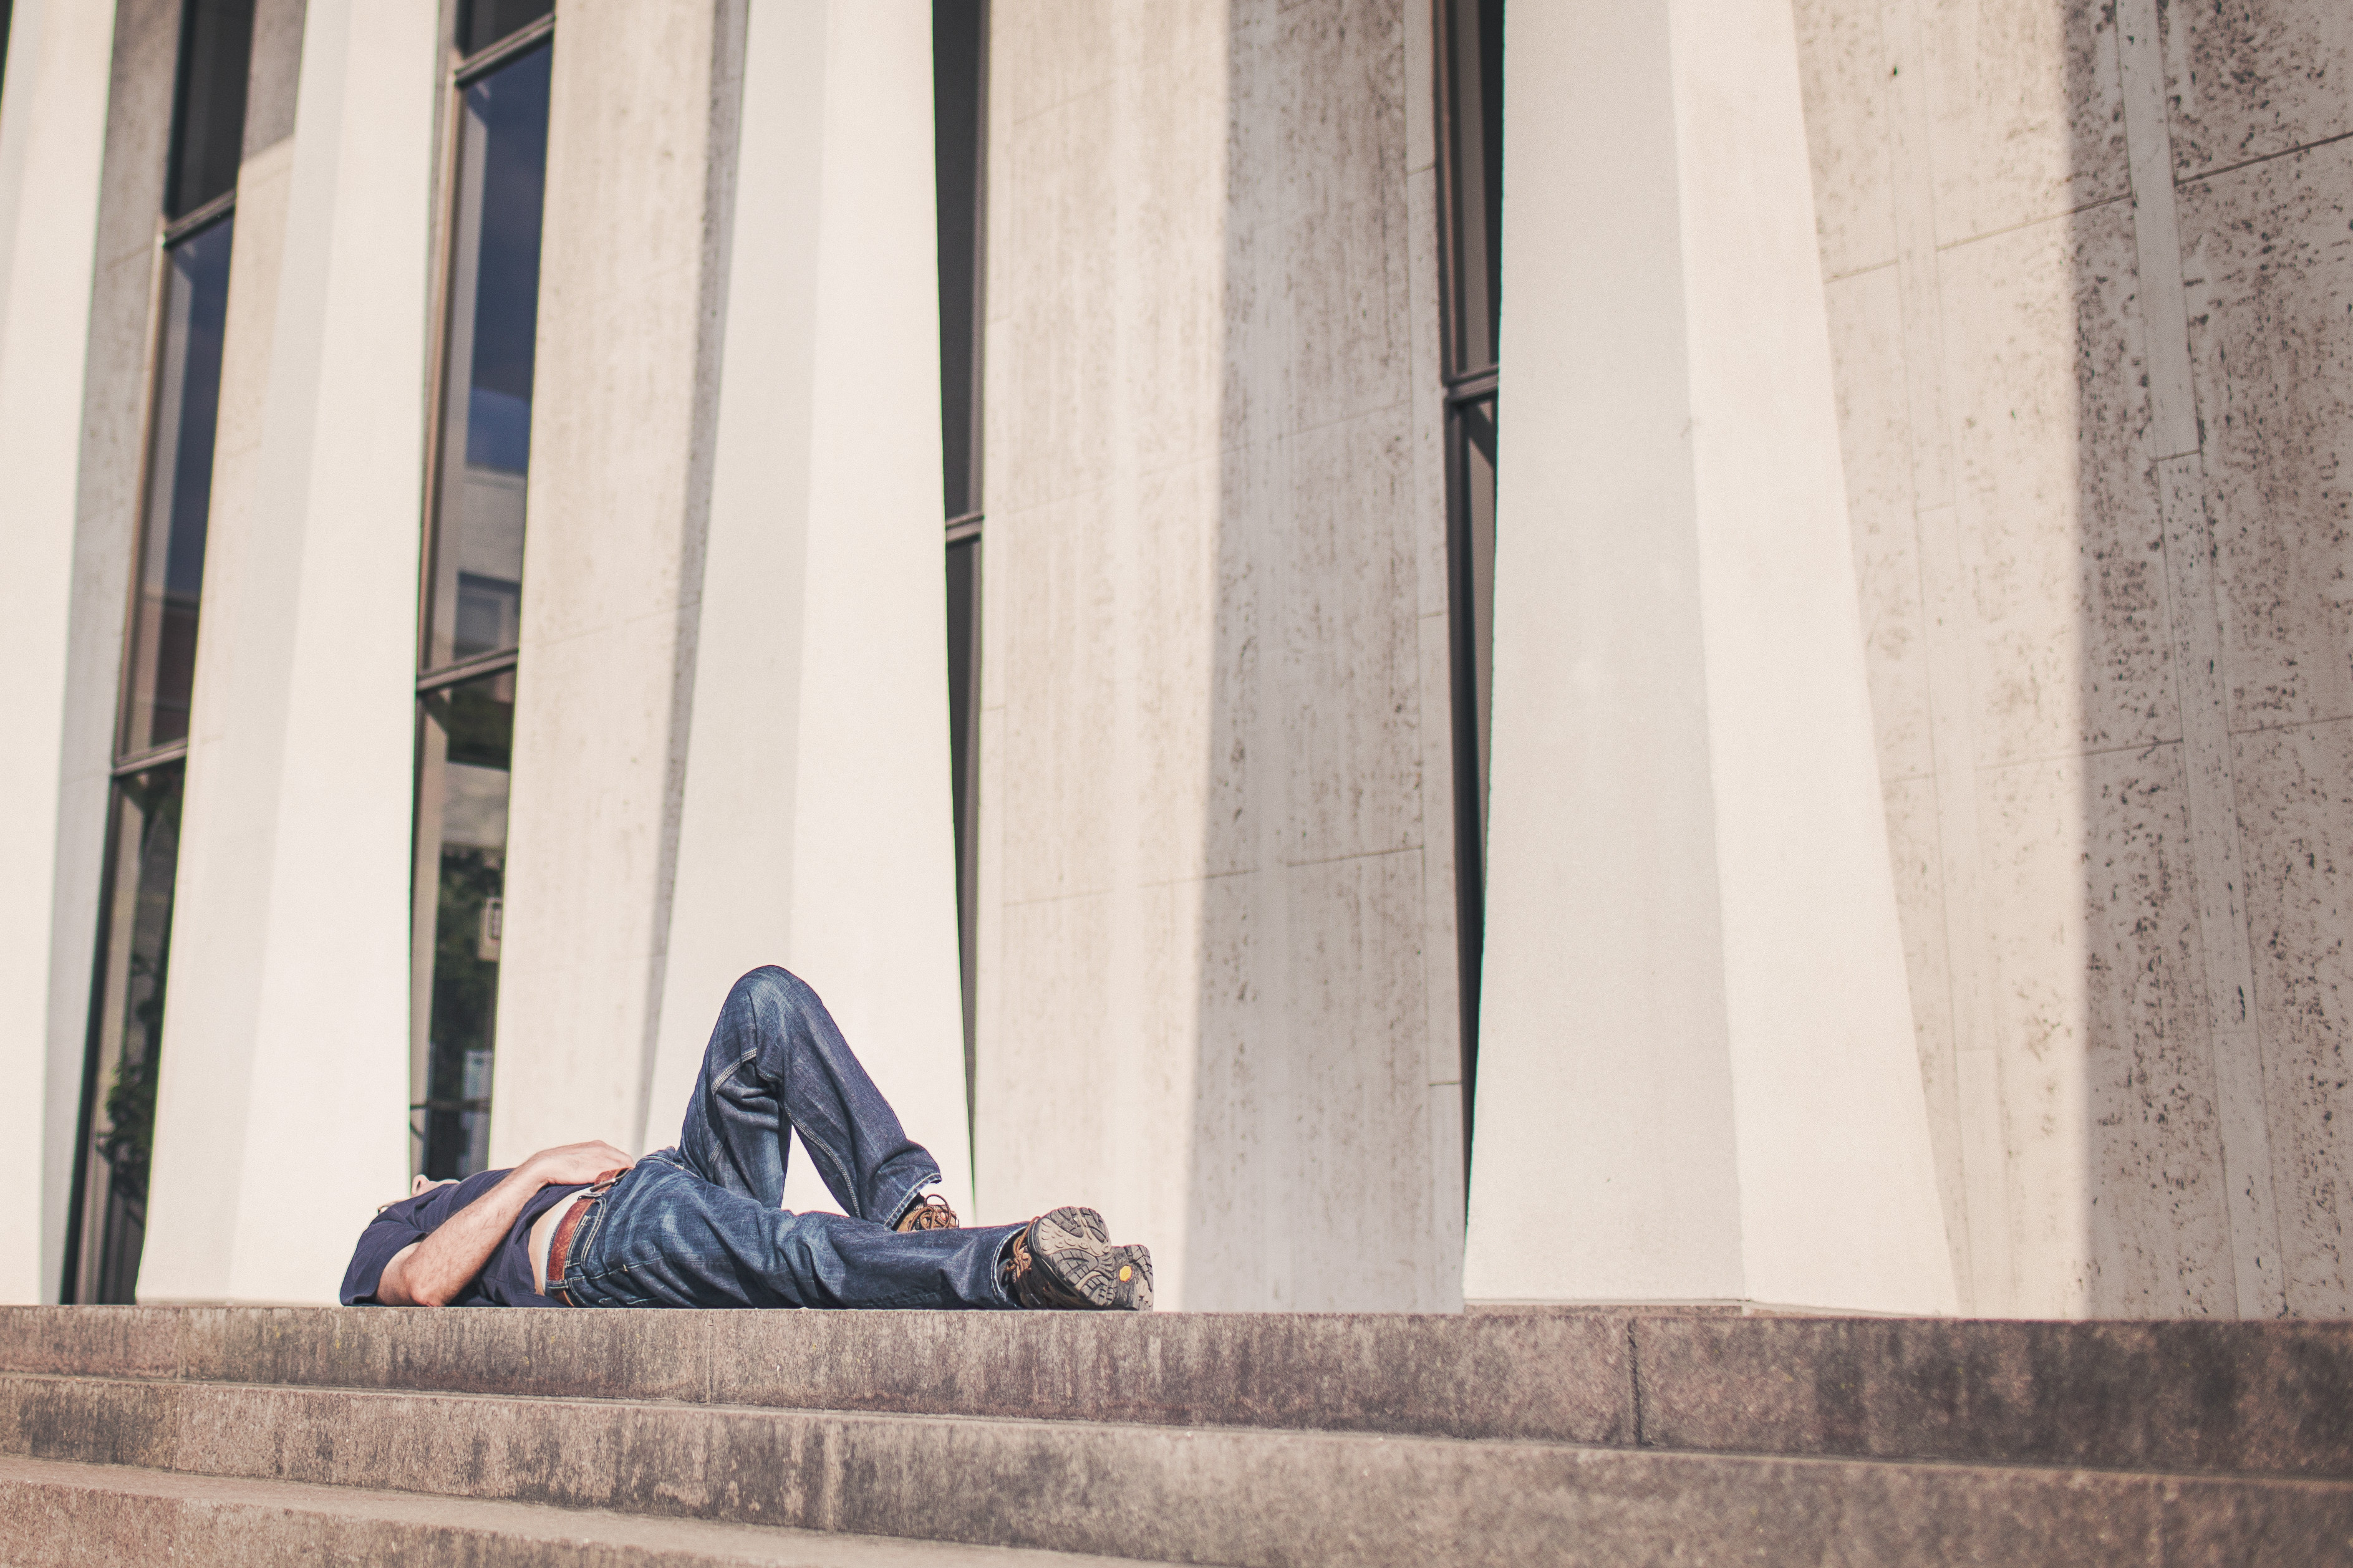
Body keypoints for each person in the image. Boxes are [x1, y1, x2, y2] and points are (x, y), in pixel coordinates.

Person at [340, 966, 1152, 1312]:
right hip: (603, 1245)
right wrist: (537, 1171)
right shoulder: (400, 1224)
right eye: (421, 1185)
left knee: (765, 1000)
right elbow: (421, 1287)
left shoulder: (471, 1196)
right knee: (790, 1248)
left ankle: (906, 1207)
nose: (427, 1179)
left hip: (663, 1182)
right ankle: (1011, 1265)